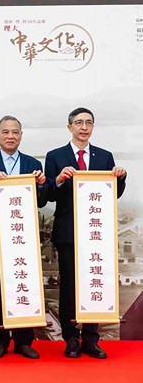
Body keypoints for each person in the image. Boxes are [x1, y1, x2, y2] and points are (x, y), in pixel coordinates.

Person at [44, 107, 126, 359]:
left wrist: (120, 178)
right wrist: (57, 180)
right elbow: (47, 194)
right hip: (68, 231)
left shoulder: (104, 156)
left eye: (88, 122)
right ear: (69, 127)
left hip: (96, 233)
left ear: (93, 127)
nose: (83, 127)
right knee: (69, 285)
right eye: (78, 122)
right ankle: (70, 338)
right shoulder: (56, 155)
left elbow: (113, 192)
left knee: (94, 281)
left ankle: (91, 338)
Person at [0, 116, 49, 359]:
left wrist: (41, 184)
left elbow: (42, 200)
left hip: (22, 237)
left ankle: (24, 340)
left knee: (23, 285)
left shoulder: (31, 163)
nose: (10, 136)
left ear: (21, 135)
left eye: (14, 132)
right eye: (5, 131)